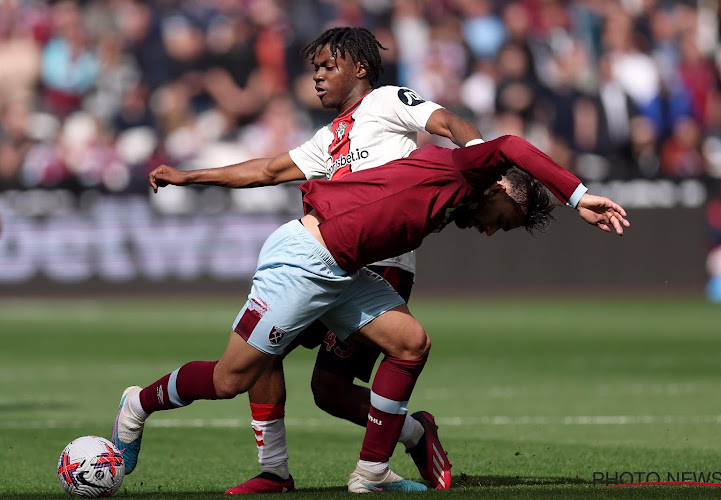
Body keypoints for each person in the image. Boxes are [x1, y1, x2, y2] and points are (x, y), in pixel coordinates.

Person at [113, 133, 629, 494]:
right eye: (505, 220)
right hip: (303, 261)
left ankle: (371, 473)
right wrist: (577, 196)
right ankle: (138, 405)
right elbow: (512, 146)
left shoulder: (459, 201)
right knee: (230, 380)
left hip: (347, 272)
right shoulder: (465, 168)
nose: (492, 230)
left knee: (411, 344)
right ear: (498, 189)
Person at [146, 26, 482, 494]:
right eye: (315, 70)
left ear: (360, 68)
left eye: (328, 67)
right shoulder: (328, 138)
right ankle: (274, 470)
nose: (317, 79)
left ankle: (410, 436)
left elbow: (447, 123)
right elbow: (266, 170)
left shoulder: (388, 102)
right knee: (264, 352)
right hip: (323, 260)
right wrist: (190, 175)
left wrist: (481, 162)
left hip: (379, 267)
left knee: (330, 392)